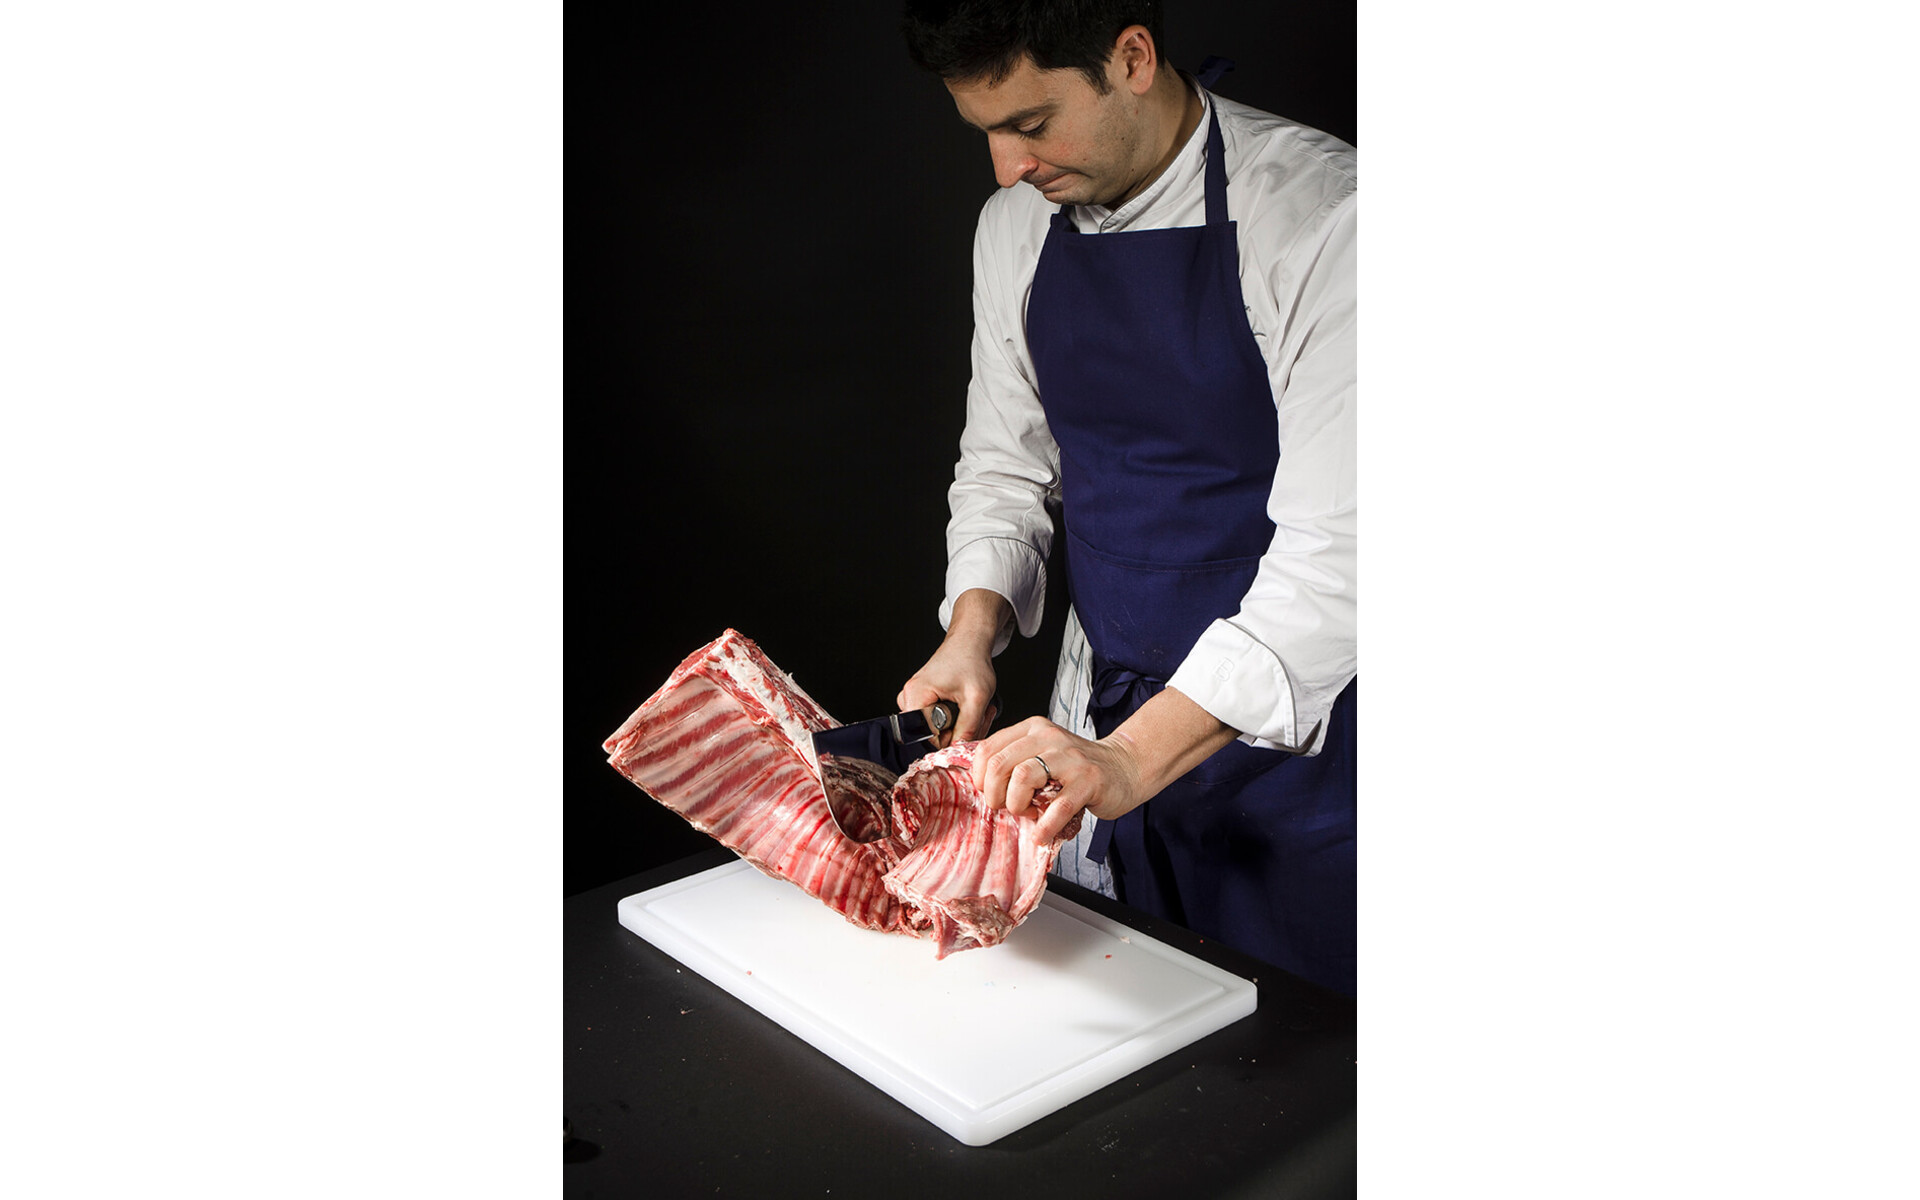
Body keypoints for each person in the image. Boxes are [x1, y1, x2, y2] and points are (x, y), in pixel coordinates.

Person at [893, 1, 1357, 996]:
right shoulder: (1016, 228)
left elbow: (1344, 561)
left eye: (1031, 124)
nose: (1007, 168)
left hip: (1316, 748)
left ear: (1133, 58)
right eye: (986, 133)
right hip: (1098, 716)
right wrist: (971, 633)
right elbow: (1006, 467)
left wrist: (1133, 762)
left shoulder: (1328, 220)